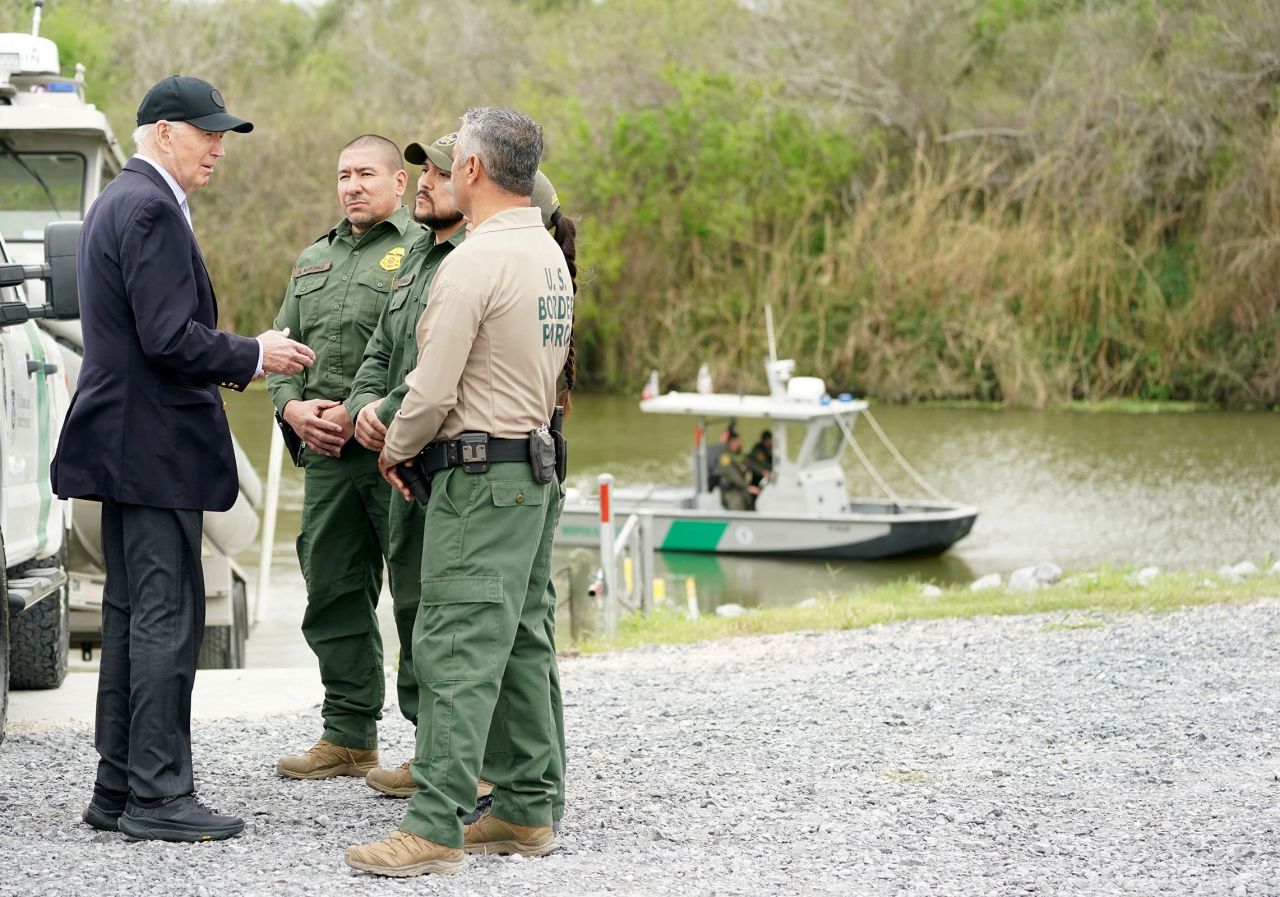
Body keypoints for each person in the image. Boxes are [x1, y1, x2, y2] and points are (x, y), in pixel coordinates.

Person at [51, 75, 315, 842]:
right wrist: (253, 353)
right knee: (168, 617)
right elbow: (170, 337)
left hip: (122, 443)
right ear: (163, 130)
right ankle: (159, 796)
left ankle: (117, 785)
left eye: (222, 133)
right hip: (153, 447)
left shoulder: (116, 202)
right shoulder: (151, 208)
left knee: (135, 616)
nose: (218, 146)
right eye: (207, 132)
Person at [345, 106, 571, 877]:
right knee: (521, 641)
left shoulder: (472, 262)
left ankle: (435, 824)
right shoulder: (546, 253)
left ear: (473, 170)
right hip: (533, 471)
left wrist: (397, 448)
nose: (442, 176)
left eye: (450, 164)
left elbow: (432, 389)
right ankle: (526, 806)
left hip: (479, 478)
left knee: (454, 647)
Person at [268, 135, 423, 781]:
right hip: (326, 453)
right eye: (343, 175)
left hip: (396, 449)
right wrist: (291, 408)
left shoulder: (424, 251)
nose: (353, 185)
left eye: (365, 174)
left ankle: (436, 744)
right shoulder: (311, 259)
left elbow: (426, 354)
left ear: (399, 184)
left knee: (418, 596)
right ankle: (349, 733)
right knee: (330, 589)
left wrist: (375, 414)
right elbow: (281, 349)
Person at [343, 132, 466, 795]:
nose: (424, 181)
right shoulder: (413, 256)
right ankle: (431, 748)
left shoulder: (473, 258)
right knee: (413, 605)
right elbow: (380, 349)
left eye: (441, 172)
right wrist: (365, 403)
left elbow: (446, 367)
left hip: (447, 460)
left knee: (451, 613)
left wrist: (388, 410)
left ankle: (463, 760)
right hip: (402, 462)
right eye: (421, 170)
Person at [718, 432, 760, 511]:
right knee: (739, 507)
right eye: (737, 442)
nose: (740, 444)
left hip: (740, 488)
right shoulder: (725, 457)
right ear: (731, 442)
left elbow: (749, 463)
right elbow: (734, 475)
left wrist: (763, 471)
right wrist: (747, 487)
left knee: (750, 503)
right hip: (731, 491)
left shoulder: (737, 455)